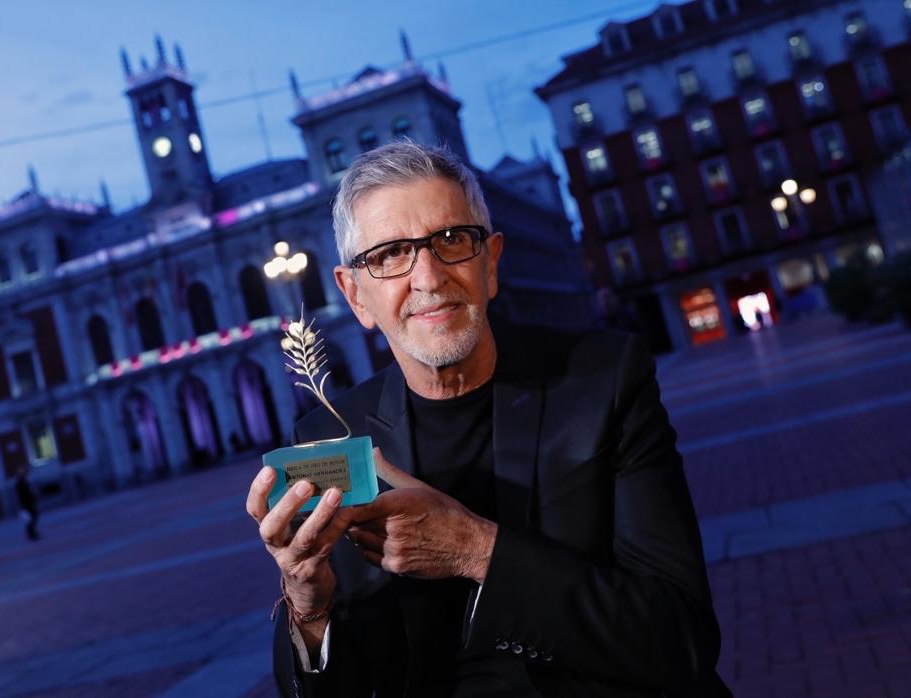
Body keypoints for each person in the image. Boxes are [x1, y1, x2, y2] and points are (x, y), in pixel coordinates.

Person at [245, 141, 729, 696]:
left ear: (490, 262)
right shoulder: (328, 435)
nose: (428, 278)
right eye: (390, 255)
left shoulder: (604, 381)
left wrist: (475, 549)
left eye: (452, 240)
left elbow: (680, 639)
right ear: (356, 296)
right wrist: (309, 606)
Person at [14, 467, 41, 541]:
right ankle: (31, 533)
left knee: (33, 517)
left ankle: (32, 533)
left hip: (28, 503)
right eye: (22, 472)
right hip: (26, 504)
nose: (24, 473)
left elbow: (28, 492)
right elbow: (24, 494)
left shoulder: (24, 481)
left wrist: (34, 497)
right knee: (31, 518)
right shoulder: (19, 483)